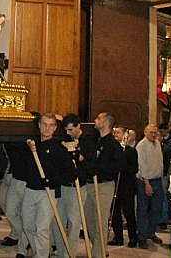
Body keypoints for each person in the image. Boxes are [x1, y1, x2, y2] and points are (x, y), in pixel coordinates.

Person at [21, 112, 76, 258]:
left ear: (55, 128)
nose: (47, 128)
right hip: (30, 190)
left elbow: (71, 174)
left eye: (51, 125)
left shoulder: (60, 150)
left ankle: (42, 255)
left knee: (42, 228)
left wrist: (53, 181)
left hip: (47, 193)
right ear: (39, 126)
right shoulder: (31, 145)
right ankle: (38, 251)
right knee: (27, 225)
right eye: (44, 124)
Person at [55, 113, 98, 258]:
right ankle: (60, 252)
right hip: (63, 186)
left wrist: (80, 157)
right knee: (59, 222)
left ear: (78, 126)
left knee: (74, 224)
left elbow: (92, 168)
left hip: (77, 188)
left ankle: (70, 254)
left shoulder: (88, 142)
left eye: (70, 130)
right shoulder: (65, 140)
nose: (68, 133)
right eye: (66, 130)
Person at [84, 111, 124, 258]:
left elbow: (119, 165)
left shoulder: (113, 145)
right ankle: (101, 248)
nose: (95, 120)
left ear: (106, 123)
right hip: (90, 185)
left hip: (103, 186)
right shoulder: (95, 141)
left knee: (100, 221)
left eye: (99, 118)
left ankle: (98, 254)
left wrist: (100, 169)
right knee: (89, 222)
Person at [135, 123, 165, 249]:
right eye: (151, 132)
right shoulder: (141, 145)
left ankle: (150, 232)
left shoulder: (157, 144)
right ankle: (142, 237)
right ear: (145, 132)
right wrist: (147, 183)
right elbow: (141, 165)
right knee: (143, 209)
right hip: (145, 181)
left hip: (158, 180)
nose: (153, 135)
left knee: (157, 208)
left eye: (155, 132)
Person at [109, 126, 138, 248]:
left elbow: (134, 168)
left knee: (129, 213)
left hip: (127, 187)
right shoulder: (113, 150)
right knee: (115, 213)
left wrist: (122, 168)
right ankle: (118, 237)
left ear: (125, 134)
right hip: (115, 186)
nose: (116, 134)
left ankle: (133, 238)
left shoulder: (130, 151)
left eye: (118, 133)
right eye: (114, 132)